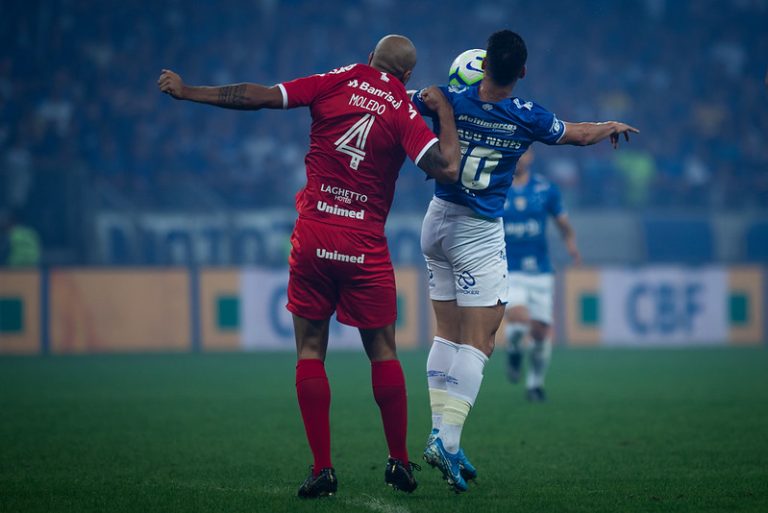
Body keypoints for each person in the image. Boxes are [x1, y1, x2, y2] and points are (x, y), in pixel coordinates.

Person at [157, 35, 460, 498]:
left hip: (314, 234)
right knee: (382, 349)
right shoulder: (403, 108)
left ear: (369, 59)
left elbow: (258, 97)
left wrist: (188, 90)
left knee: (311, 348)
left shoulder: (333, 80)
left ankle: (323, 469)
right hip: (363, 243)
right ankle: (398, 461)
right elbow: (446, 168)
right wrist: (445, 114)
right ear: (408, 76)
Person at [410, 30, 638, 492]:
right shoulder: (525, 116)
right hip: (477, 230)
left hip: (436, 220)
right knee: (482, 341)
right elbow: (575, 134)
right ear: (523, 72)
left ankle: (443, 437)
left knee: (446, 333)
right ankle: (446, 440)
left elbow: (397, 103)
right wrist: (610, 126)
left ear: (484, 63)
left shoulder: (444, 98)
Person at [502, 147, 580, 402]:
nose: (519, 157)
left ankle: (535, 384)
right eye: (515, 152)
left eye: (523, 152)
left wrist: (571, 244)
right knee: (519, 317)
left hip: (541, 270)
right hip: (508, 269)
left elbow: (563, 224)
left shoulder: (546, 189)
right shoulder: (495, 186)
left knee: (540, 332)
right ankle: (513, 350)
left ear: (531, 156)